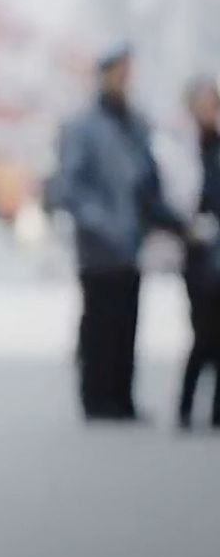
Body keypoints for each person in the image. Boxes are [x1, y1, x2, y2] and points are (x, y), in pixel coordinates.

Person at [53, 44, 186, 424]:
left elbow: (148, 181)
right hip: (98, 244)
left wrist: (164, 219)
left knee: (128, 319)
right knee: (99, 321)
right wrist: (101, 222)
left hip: (131, 240)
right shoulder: (82, 126)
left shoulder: (136, 122)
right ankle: (97, 398)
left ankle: (121, 398)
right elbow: (70, 187)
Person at [178, 76, 220, 430]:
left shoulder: (216, 146)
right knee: (204, 333)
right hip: (198, 253)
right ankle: (186, 407)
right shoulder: (180, 146)